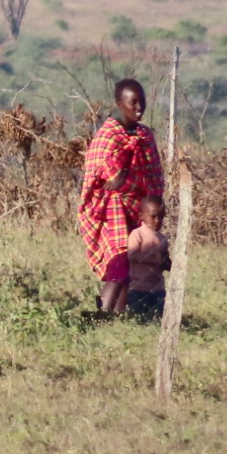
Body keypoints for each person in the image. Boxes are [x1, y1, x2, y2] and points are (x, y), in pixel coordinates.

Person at [77, 78, 164, 315]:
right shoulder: (108, 136)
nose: (139, 107)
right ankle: (102, 314)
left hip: (141, 209)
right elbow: (104, 182)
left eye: (142, 102)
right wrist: (123, 162)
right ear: (119, 103)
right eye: (133, 102)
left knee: (132, 262)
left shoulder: (145, 136)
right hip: (111, 208)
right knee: (119, 259)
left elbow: (154, 176)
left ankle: (118, 315)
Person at [126, 197, 170, 321]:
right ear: (141, 216)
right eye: (153, 216)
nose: (157, 220)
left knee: (157, 318)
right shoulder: (137, 234)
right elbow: (132, 256)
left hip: (157, 288)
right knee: (137, 318)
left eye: (161, 217)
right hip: (138, 287)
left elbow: (165, 260)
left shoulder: (162, 239)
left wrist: (168, 263)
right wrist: (153, 258)